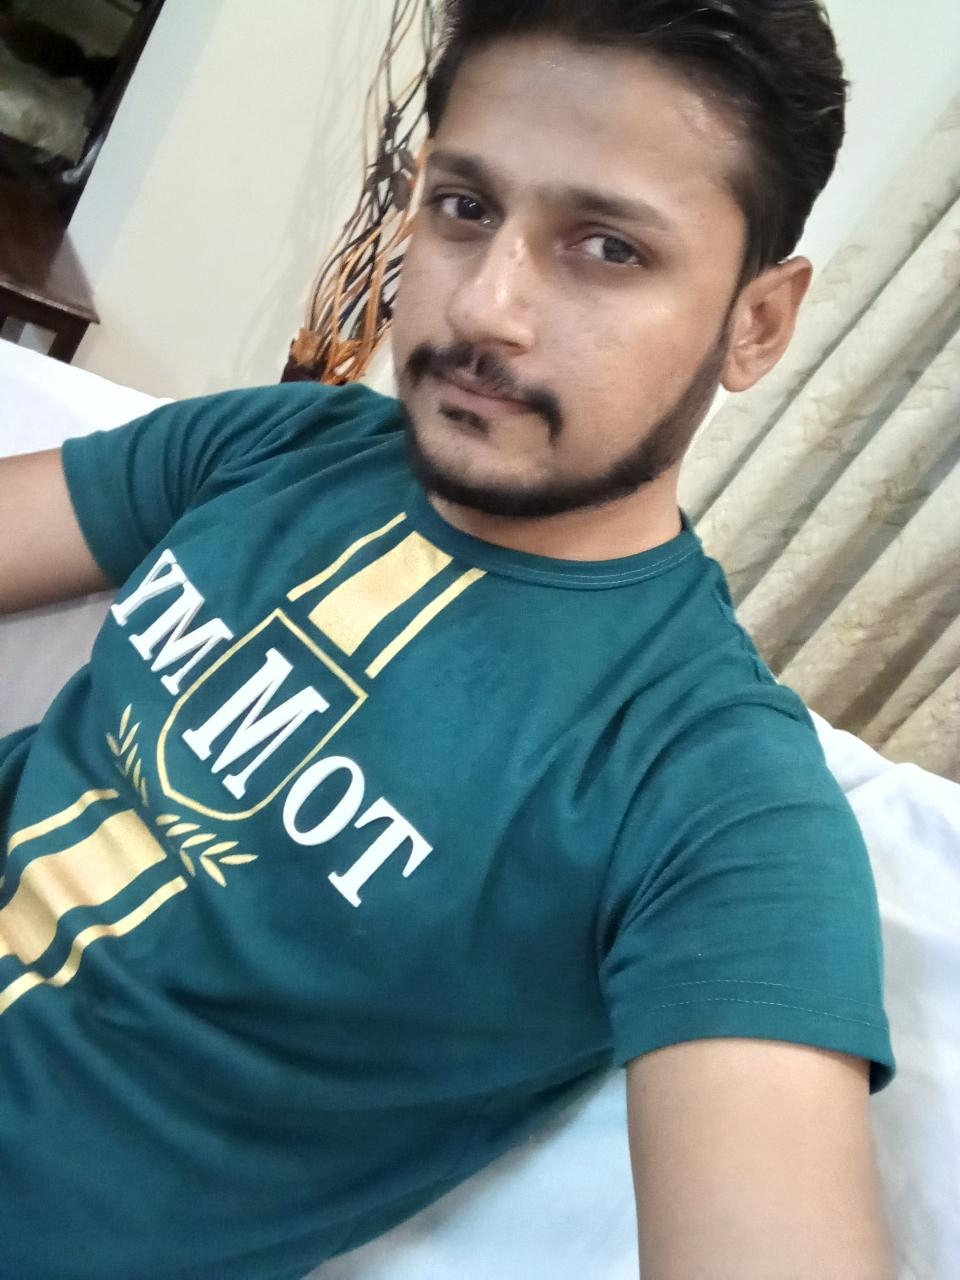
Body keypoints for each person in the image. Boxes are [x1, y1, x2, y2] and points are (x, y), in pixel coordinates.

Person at [0, 2, 896, 1277]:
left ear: (756, 322)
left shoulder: (713, 790)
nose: (486, 308)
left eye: (607, 247)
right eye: (466, 208)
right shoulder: (279, 443)